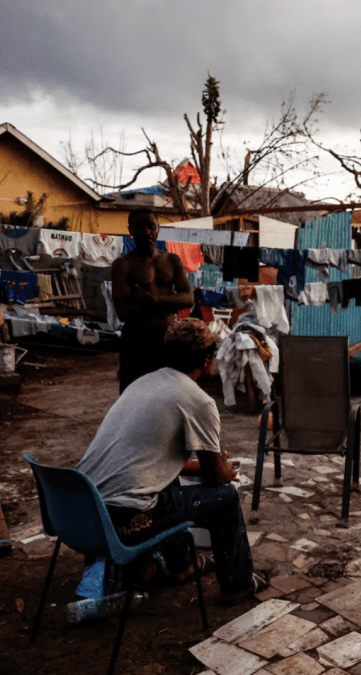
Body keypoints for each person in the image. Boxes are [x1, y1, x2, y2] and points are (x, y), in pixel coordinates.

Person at [75, 318, 265, 604]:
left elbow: (152, 461)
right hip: (124, 517)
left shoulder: (143, 383)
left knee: (171, 484)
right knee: (225, 498)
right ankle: (238, 583)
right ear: (207, 359)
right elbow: (216, 479)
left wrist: (206, 465)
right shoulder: (198, 400)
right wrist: (222, 468)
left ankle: (183, 566)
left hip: (82, 510)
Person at [111, 208, 194, 393]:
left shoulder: (172, 260)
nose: (147, 232)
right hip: (136, 343)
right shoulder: (123, 265)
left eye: (151, 226)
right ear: (130, 230)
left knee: (168, 396)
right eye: (139, 227)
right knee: (134, 397)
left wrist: (154, 300)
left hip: (168, 341)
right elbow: (123, 312)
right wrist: (170, 302)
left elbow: (188, 298)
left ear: (158, 228)